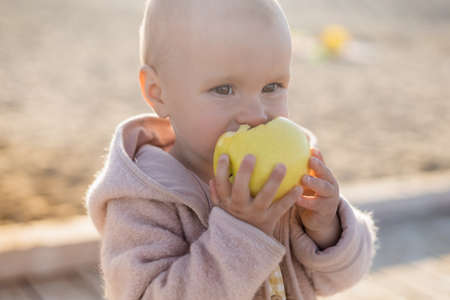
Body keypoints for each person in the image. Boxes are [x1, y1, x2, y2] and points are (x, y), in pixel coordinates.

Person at [86, 0, 377, 299]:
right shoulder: (143, 201)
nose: (255, 114)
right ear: (158, 93)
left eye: (272, 86)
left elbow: (345, 275)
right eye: (224, 89)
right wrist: (242, 233)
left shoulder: (285, 178)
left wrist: (326, 229)